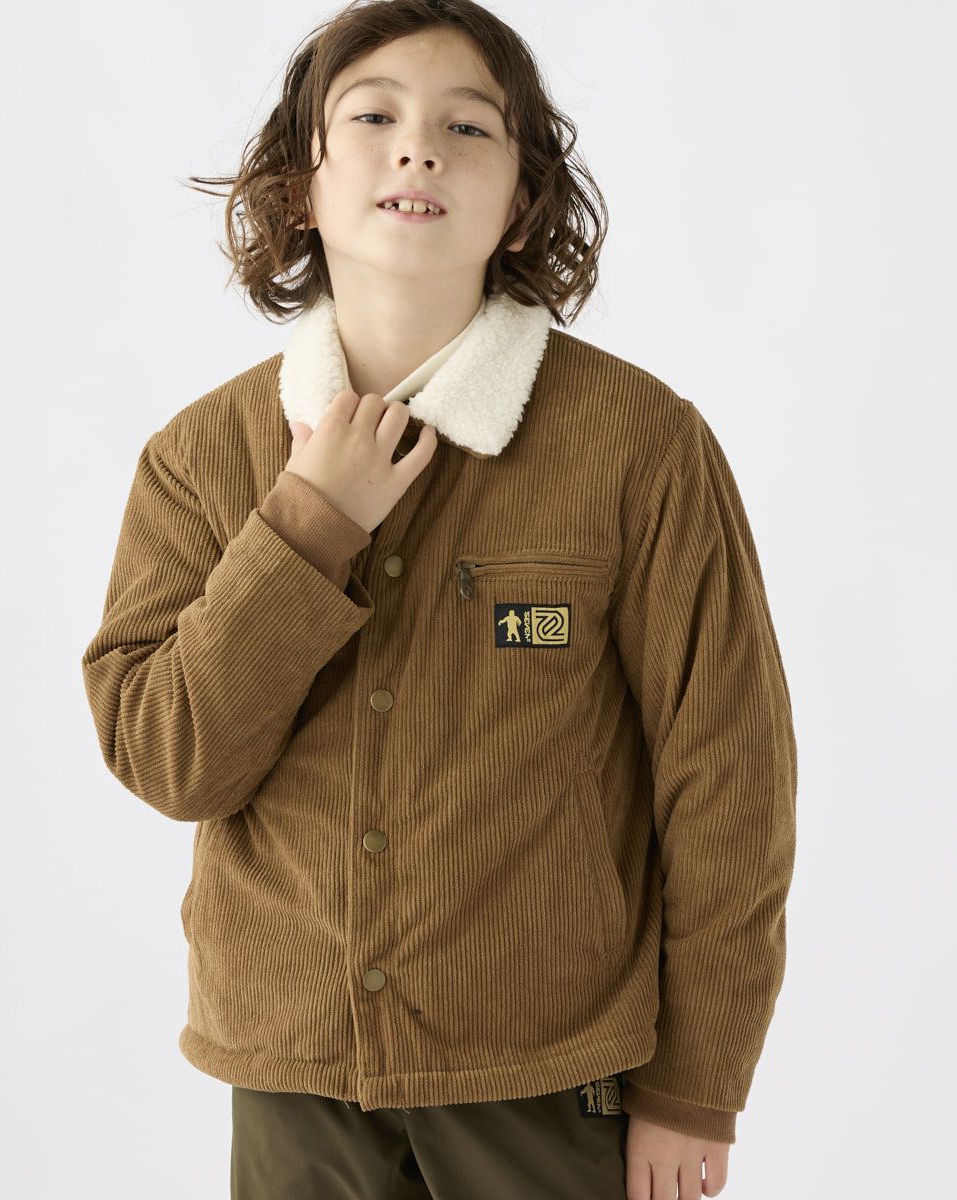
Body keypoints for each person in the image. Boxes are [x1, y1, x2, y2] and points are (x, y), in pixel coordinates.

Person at [80, 1, 797, 1196]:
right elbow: (168, 760)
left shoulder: (640, 445)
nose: (418, 148)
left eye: (468, 127)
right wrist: (307, 522)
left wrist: (695, 1086)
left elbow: (728, 780)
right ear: (300, 186)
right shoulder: (199, 458)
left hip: (555, 1083)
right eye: (373, 117)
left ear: (519, 200)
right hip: (293, 1081)